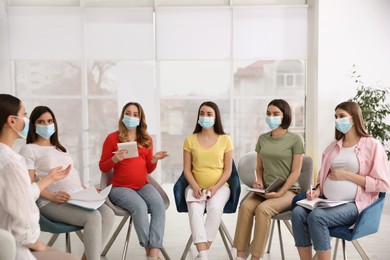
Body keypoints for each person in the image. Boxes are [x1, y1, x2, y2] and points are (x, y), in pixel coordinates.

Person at [291, 101, 390, 260]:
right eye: (336, 117)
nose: (338, 120)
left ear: (354, 118)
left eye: (342, 116)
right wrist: (317, 190)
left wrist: (347, 175)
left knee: (317, 217)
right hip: (328, 201)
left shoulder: (372, 145)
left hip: (355, 205)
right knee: (297, 213)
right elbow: (323, 176)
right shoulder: (332, 147)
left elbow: (383, 184)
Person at [19, 105, 115, 260]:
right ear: (33, 125)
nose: (46, 125)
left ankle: (88, 257)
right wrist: (52, 197)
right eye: (41, 122)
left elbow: (72, 175)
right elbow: (29, 185)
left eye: (50, 121)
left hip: (77, 198)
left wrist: (87, 190)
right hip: (51, 203)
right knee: (94, 217)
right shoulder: (29, 149)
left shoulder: (59, 149)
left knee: (109, 214)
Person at [0, 94, 78, 260]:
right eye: (24, 114)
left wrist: (49, 178)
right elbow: (21, 210)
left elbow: (21, 194)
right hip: (15, 245)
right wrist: (32, 242)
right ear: (12, 121)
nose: (26, 119)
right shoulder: (11, 162)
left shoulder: (6, 157)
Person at [233, 99, 304, 260]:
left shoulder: (295, 139)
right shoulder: (262, 139)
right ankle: (240, 256)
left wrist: (280, 193)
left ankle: (255, 257)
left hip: (288, 190)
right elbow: (259, 168)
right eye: (268, 114)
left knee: (263, 210)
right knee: (245, 207)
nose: (271, 117)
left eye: (275, 114)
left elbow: (296, 172)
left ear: (284, 116)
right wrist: (258, 181)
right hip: (265, 189)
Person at [99, 102, 168, 260]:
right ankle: (148, 247)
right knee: (140, 206)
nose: (131, 117)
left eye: (135, 114)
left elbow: (148, 170)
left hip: (143, 185)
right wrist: (115, 159)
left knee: (158, 205)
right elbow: (103, 167)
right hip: (120, 188)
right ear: (123, 116)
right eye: (128, 113)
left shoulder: (146, 139)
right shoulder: (112, 138)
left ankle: (154, 252)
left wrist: (155, 159)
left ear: (140, 118)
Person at [183, 101, 234, 260]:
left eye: (209, 114)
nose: (205, 117)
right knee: (195, 211)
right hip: (195, 186)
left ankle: (202, 252)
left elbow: (228, 171)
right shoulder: (190, 140)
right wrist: (195, 186)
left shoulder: (226, 140)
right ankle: (204, 256)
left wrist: (215, 187)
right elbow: (186, 170)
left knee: (215, 209)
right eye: (202, 113)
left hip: (220, 187)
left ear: (216, 117)